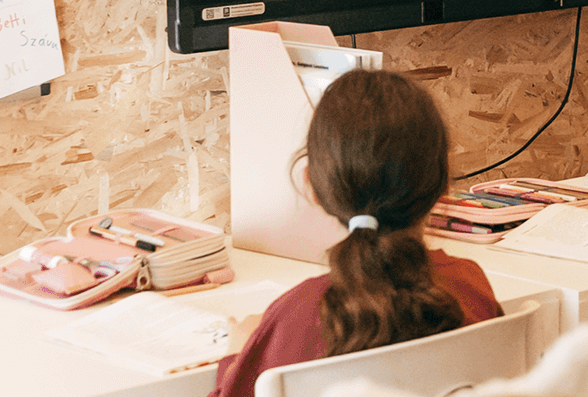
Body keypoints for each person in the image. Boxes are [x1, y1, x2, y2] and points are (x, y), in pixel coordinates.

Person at [209, 70, 500, 397]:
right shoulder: (471, 285)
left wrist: (234, 357)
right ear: (444, 184)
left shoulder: (295, 317)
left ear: (312, 188)